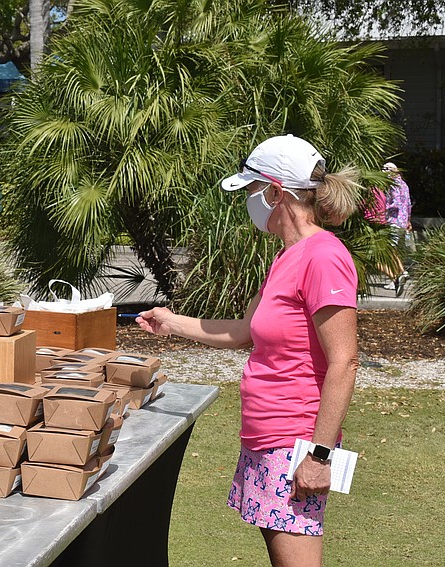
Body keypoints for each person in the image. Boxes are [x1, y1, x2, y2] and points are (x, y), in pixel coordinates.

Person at [136, 135, 360, 567]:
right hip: (265, 439)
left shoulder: (323, 256)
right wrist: (172, 322)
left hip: (293, 444)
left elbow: (344, 360)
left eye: (254, 190)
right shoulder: (288, 256)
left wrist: (319, 455)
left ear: (277, 191)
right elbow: (246, 333)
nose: (250, 201)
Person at [381, 162, 412, 294]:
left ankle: (400, 274)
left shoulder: (392, 184)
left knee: (389, 250)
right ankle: (398, 275)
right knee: (394, 249)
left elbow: (395, 201)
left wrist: (384, 210)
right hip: (402, 221)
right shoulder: (404, 184)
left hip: (393, 220)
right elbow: (409, 203)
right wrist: (408, 220)